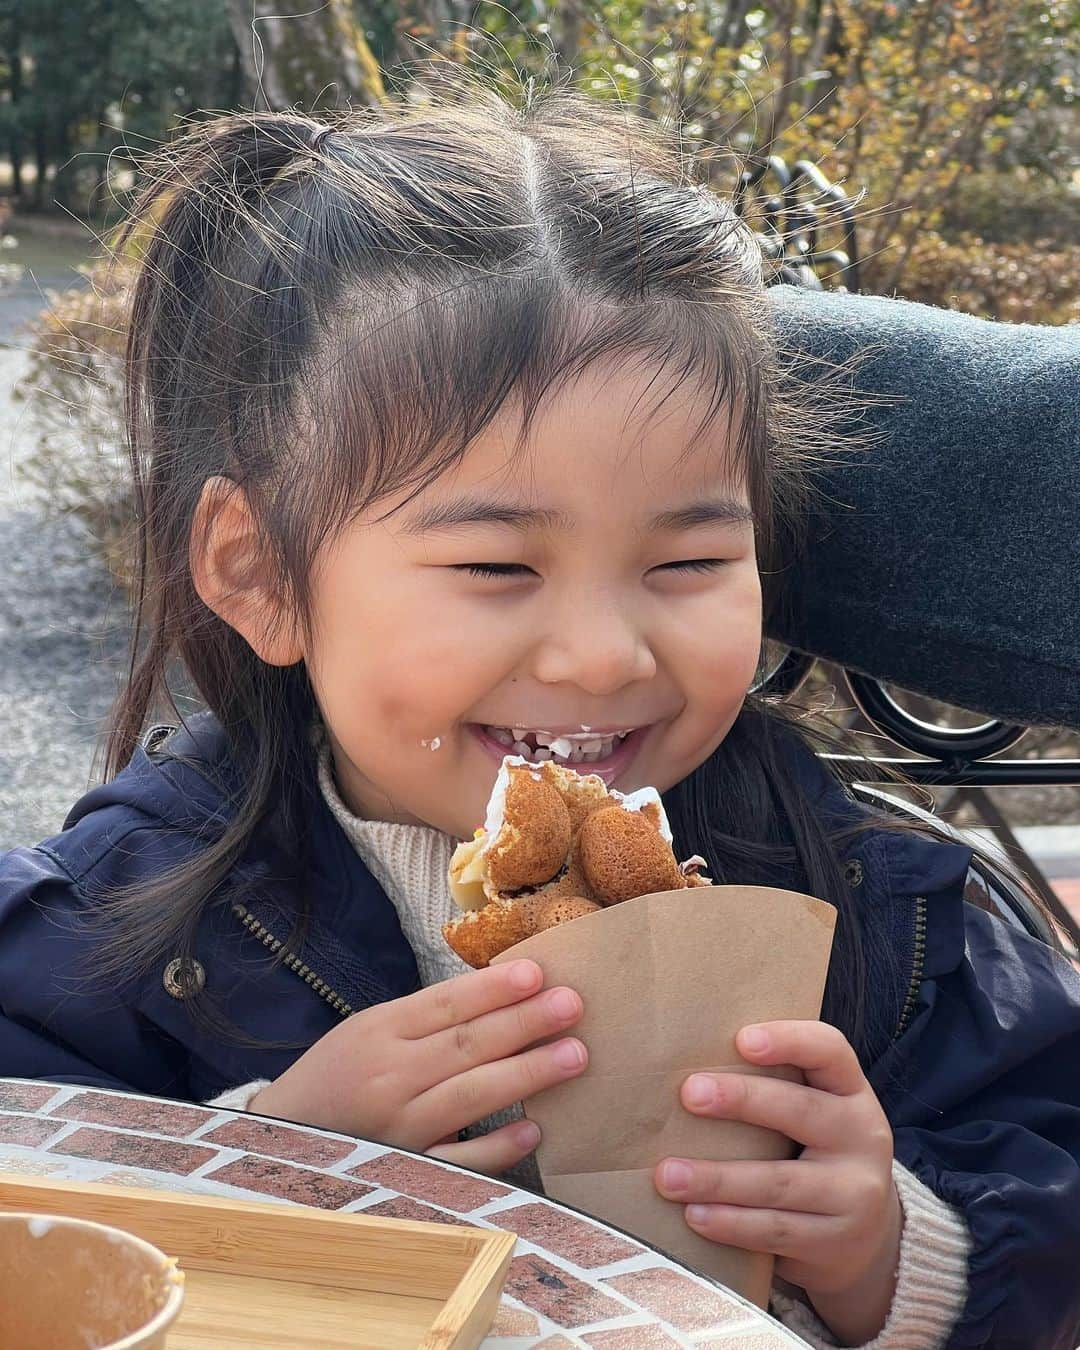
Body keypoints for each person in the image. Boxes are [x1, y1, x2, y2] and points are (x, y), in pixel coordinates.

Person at [1, 84, 1077, 1350]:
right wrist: (255, 1150)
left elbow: (1048, 1165)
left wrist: (897, 1252)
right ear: (259, 574)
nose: (604, 654)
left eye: (685, 566)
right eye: (497, 569)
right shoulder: (124, 927)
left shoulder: (876, 914)